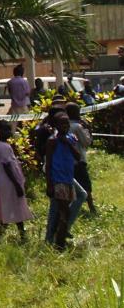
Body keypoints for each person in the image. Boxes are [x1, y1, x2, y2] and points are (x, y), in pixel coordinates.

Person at [45, 112, 82, 249]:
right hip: (58, 180)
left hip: (68, 179)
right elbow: (48, 164)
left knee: (64, 212)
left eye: (67, 123)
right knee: (63, 212)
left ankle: (57, 239)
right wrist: (49, 184)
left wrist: (68, 143)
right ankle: (59, 243)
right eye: (62, 123)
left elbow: (78, 157)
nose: (65, 126)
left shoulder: (70, 138)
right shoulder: (52, 141)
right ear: (56, 125)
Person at [0, 120, 32, 240]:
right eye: (5, 129)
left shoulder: (0, 145)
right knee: (13, 205)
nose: (9, 132)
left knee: (9, 205)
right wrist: (16, 184)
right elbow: (7, 166)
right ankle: (20, 234)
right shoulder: (3, 147)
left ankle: (4, 234)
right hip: (9, 181)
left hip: (4, 180)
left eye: (9, 129)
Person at [66, 102, 97, 215]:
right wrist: (88, 129)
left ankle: (70, 208)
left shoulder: (64, 126)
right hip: (78, 161)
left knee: (71, 186)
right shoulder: (77, 127)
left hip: (67, 162)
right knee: (85, 185)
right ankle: (91, 208)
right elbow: (87, 142)